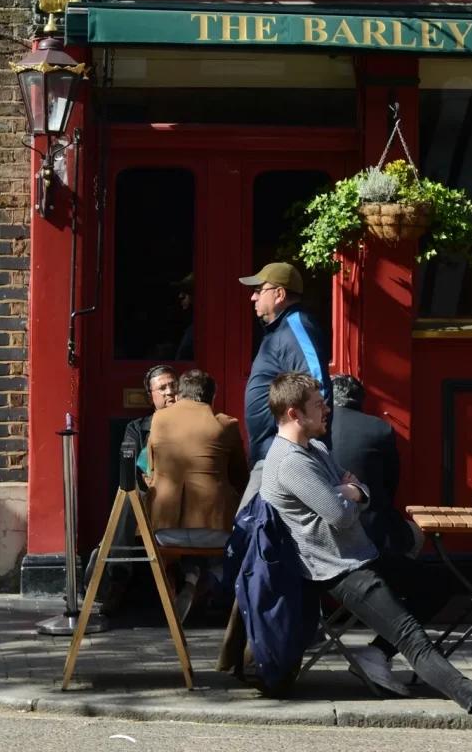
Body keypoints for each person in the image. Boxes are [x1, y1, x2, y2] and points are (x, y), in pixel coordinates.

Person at [260, 371, 472, 732]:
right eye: (318, 405)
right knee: (411, 635)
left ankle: (375, 652)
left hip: (360, 553)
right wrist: (349, 495)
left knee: (439, 583)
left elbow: (356, 489)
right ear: (293, 414)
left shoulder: (314, 448)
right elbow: (340, 515)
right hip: (336, 567)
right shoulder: (291, 462)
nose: (327, 409)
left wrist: (353, 493)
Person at [147, 368, 248, 620]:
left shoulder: (159, 420)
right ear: (212, 398)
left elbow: (151, 468)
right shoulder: (226, 425)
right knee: (230, 532)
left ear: (180, 395)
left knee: (191, 536)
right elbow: (241, 478)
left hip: (165, 531)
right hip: (216, 533)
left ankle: (192, 579)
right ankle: (214, 585)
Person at [84, 363, 178, 615]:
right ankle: (116, 576)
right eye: (163, 388)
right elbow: (130, 467)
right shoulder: (137, 428)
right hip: (150, 493)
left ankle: (105, 555)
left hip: (183, 493)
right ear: (151, 396)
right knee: (128, 500)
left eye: (173, 386)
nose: (170, 392)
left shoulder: (191, 423)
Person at [239, 262, 332, 479]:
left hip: (287, 459)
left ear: (279, 293)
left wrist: (307, 450)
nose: (253, 298)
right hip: (274, 454)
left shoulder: (296, 327)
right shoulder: (282, 330)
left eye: (258, 291)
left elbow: (317, 385)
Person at [329, 373, 422, 559]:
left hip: (327, 532)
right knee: (417, 535)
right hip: (373, 529)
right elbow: (390, 484)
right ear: (360, 399)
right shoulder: (380, 428)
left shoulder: (315, 430)